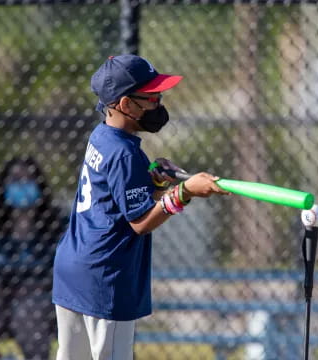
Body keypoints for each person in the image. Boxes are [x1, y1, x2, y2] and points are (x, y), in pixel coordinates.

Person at [52, 54, 229, 360]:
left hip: (74, 269)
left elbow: (119, 201)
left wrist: (158, 185)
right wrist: (184, 192)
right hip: (105, 279)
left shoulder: (102, 136)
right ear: (124, 104)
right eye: (151, 97)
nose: (159, 103)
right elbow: (140, 222)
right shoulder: (125, 153)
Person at [0, 155, 67, 359]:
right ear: (4, 185)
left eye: (28, 179)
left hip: (43, 300)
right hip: (3, 297)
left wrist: (41, 287)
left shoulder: (56, 223)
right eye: (15, 179)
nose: (22, 185)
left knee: (26, 313)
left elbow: (70, 265)